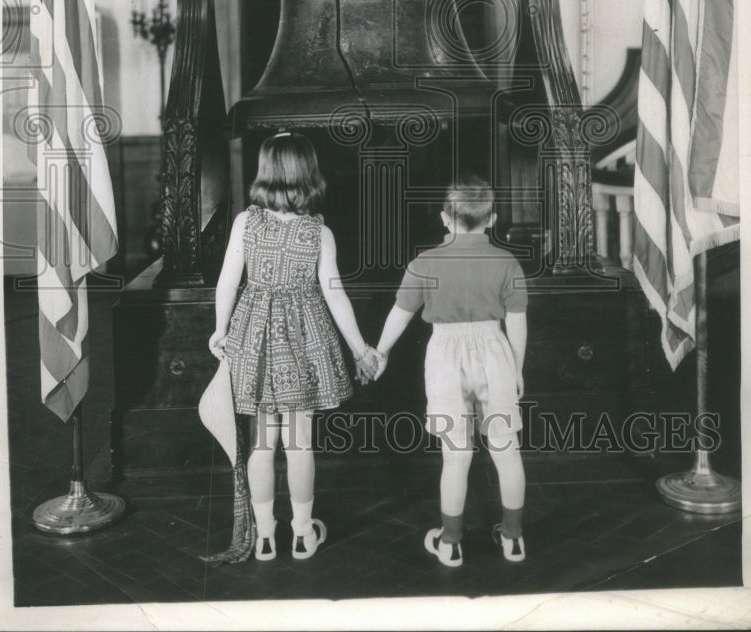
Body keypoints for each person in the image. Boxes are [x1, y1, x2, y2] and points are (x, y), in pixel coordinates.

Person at [208, 132, 380, 562]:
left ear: (265, 171)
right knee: (300, 442)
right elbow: (335, 295)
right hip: (305, 341)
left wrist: (219, 329)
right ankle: (303, 534)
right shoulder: (319, 232)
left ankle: (264, 537)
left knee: (262, 444)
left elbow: (228, 280)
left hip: (255, 338)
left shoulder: (245, 223)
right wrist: (361, 349)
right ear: (309, 174)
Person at [373, 175, 528, 567]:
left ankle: (451, 543)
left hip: (444, 354)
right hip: (495, 350)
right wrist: (518, 369)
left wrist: (381, 351)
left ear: (445, 218)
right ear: (492, 219)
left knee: (455, 456)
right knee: (506, 451)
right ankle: (512, 539)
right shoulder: (506, 261)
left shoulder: (425, 262)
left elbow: (400, 314)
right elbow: (518, 322)